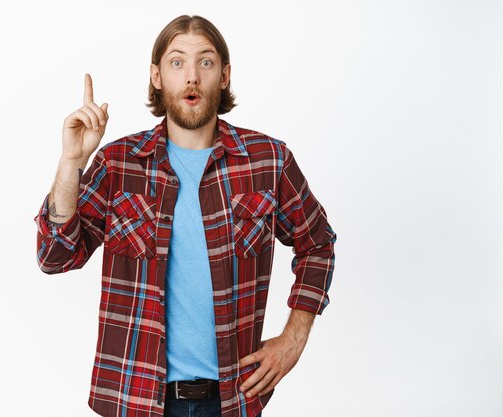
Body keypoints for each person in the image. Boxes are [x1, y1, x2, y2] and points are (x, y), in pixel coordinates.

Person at [34, 14, 337, 417]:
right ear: (157, 76)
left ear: (225, 75)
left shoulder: (268, 161)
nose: (191, 77)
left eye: (206, 62)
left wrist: (293, 340)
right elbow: (54, 256)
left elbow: (318, 244)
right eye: (177, 62)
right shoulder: (118, 164)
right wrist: (72, 160)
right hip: (135, 396)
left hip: (232, 399)